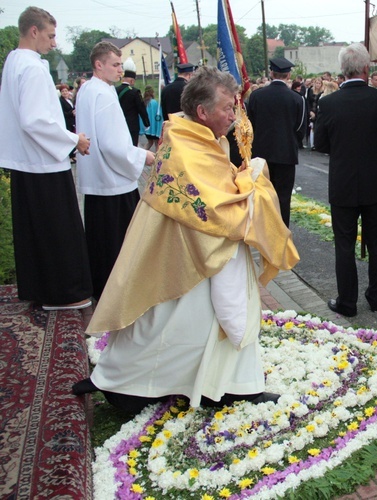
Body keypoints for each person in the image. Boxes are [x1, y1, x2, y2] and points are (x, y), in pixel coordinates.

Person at [73, 66, 300, 413]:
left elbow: (215, 189)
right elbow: (215, 207)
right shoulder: (185, 145)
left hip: (195, 246)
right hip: (187, 250)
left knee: (181, 325)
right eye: (227, 107)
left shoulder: (197, 136)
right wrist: (252, 183)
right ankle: (123, 386)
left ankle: (232, 384)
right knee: (167, 324)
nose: (234, 114)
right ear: (202, 112)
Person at [0, 6, 92, 310]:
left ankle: (40, 288)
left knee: (35, 230)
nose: (54, 43)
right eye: (51, 35)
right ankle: (63, 293)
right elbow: (35, 120)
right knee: (57, 230)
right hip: (43, 163)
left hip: (26, 162)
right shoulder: (33, 67)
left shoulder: (14, 61)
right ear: (34, 31)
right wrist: (73, 139)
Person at [314, 43, 377, 317]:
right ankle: (376, 299)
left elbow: (320, 144)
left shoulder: (327, 102)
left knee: (344, 244)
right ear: (366, 69)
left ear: (343, 70)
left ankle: (347, 302)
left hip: (343, 182)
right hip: (376, 181)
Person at [75, 41, 155, 301]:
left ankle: (101, 287)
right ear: (99, 65)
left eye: (121, 64)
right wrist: (143, 155)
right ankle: (121, 293)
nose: (121, 70)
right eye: (115, 64)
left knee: (100, 240)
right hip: (113, 180)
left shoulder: (87, 90)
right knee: (119, 243)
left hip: (97, 178)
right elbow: (113, 144)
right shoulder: (105, 94)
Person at [246, 57, 306, 228]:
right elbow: (300, 129)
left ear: (271, 73)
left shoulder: (256, 96)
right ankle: (281, 231)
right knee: (283, 198)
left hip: (260, 155)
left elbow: (250, 125)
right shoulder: (297, 98)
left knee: (261, 195)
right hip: (286, 154)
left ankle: (261, 231)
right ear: (288, 75)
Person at [115, 58, 149, 146]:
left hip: (118, 124)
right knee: (132, 146)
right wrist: (147, 123)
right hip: (132, 125)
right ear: (131, 80)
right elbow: (141, 109)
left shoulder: (115, 90)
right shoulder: (135, 92)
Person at [140, 86, 162, 151]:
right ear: (152, 92)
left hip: (147, 129)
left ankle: (143, 155)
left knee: (150, 142)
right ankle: (156, 158)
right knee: (156, 143)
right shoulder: (154, 102)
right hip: (154, 129)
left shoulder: (144, 102)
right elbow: (157, 115)